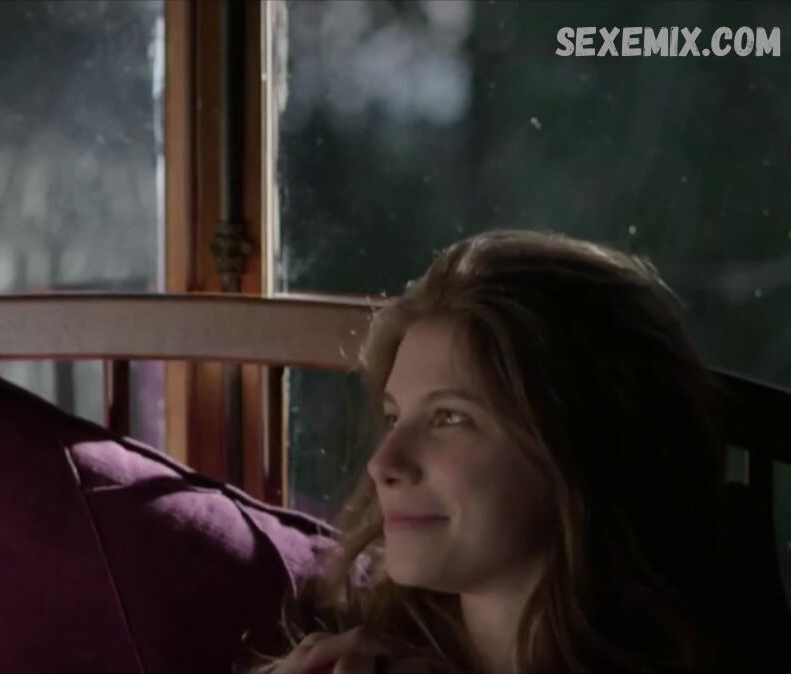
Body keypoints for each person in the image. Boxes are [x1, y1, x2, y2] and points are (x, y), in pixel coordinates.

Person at [261, 230, 767, 673]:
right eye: (394, 418)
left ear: (578, 442)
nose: (383, 464)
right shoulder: (339, 654)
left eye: (449, 418)